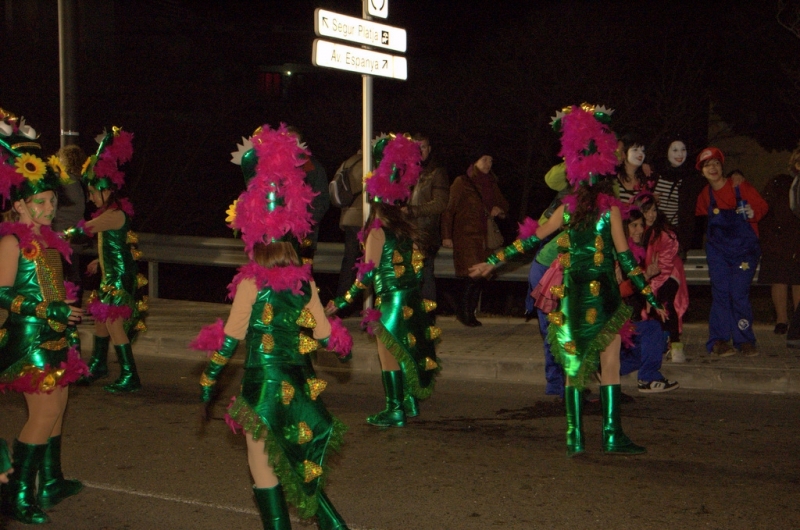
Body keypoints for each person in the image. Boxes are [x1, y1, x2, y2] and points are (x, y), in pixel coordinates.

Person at [471, 104, 666, 457]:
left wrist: (492, 261)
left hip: (574, 294)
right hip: (604, 294)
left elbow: (531, 239)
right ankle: (611, 433)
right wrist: (650, 297)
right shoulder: (611, 209)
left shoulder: (568, 207)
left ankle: (575, 435)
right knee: (609, 363)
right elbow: (625, 257)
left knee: (575, 365)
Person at [193, 124, 352, 529]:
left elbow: (231, 337)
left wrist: (210, 377)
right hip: (298, 384)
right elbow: (324, 336)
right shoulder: (303, 278)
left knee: (262, 462)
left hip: (263, 387)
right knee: (298, 459)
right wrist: (337, 330)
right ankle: (333, 524)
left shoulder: (249, 281)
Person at [0, 110, 87, 524]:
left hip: (54, 337)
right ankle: (16, 496)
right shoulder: (12, 242)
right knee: (44, 413)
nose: (50, 207)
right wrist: (43, 309)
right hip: (28, 341)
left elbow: (51, 287)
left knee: (60, 407)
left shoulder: (47, 240)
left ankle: (50, 481)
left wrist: (65, 314)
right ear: (20, 203)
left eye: (52, 201)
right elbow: (1, 293)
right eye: (41, 201)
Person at [328, 133, 441, 428]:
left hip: (390, 302)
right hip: (411, 299)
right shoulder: (407, 228)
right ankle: (410, 401)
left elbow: (364, 275)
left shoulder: (377, 231)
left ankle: (394, 410)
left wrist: (340, 303)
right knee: (407, 351)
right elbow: (417, 266)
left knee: (388, 355)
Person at [64, 127, 148, 392]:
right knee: (101, 321)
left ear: (105, 191)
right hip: (110, 273)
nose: (89, 198)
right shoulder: (111, 212)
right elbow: (115, 243)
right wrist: (99, 261)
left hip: (120, 277)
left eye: (92, 193)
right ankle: (99, 365)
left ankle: (130, 375)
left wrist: (51, 234)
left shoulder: (113, 215)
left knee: (112, 322)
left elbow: (83, 230)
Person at [695, 149, 768, 357]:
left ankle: (744, 339)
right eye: (707, 165)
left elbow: (762, 207)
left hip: (745, 251)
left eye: (716, 163)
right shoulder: (704, 196)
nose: (713, 168)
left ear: (722, 167)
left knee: (738, 293)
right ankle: (718, 341)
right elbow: (701, 222)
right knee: (720, 293)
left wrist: (754, 213)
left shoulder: (739, 185)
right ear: (702, 172)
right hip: (718, 252)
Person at [441, 152, 510, 326]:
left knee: (481, 276)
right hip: (466, 235)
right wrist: (446, 235)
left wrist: (499, 210)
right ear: (475, 161)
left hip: (485, 238)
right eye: (484, 159)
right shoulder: (462, 182)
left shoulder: (492, 183)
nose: (488, 163)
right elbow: (449, 210)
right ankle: (465, 313)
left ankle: (465, 311)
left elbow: (504, 205)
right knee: (472, 275)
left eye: (491, 160)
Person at [635, 193, 689, 362]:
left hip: (670, 272)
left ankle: (675, 344)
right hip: (646, 275)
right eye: (646, 211)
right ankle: (652, 341)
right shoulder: (634, 230)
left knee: (665, 300)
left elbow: (665, 265)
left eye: (654, 210)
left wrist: (651, 286)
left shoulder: (665, 233)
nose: (651, 215)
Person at [757, 144, 800, 335]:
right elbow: (764, 209)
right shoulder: (779, 182)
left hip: (797, 238)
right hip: (779, 238)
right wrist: (768, 237)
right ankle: (782, 320)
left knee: (798, 280)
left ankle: (798, 321)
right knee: (780, 279)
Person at [406, 133, 449, 303]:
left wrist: (413, 211)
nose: (419, 150)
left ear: (429, 149)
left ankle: (428, 316)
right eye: (416, 147)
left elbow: (440, 204)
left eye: (422, 147)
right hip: (407, 232)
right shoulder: (406, 171)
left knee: (425, 273)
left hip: (426, 232)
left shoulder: (437, 172)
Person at [287, 126, 330, 265]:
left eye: (294, 141)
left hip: (305, 233)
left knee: (304, 272)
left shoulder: (312, 168)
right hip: (280, 234)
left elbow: (322, 201)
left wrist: (305, 222)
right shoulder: (276, 168)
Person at [653, 135, 702, 257]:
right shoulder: (653, 173)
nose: (680, 154)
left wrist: (736, 174)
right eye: (675, 150)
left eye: (683, 150)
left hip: (676, 235)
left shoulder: (691, 178)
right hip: (653, 233)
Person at [51, 144, 87, 305]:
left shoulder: (64, 183)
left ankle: (69, 308)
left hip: (61, 235)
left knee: (62, 276)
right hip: (74, 233)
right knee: (73, 273)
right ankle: (75, 307)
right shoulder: (79, 184)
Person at [333, 150, 364, 316]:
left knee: (349, 262)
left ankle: (342, 303)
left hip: (348, 217)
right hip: (362, 219)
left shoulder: (347, 162)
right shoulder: (369, 164)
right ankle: (362, 304)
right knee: (369, 263)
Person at [615, 132, 655, 205]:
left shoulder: (646, 179)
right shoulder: (613, 179)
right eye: (635, 150)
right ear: (624, 154)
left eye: (642, 151)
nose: (640, 154)